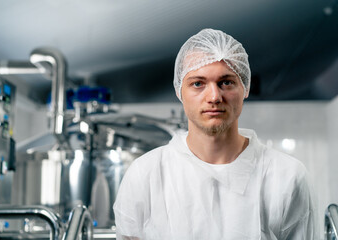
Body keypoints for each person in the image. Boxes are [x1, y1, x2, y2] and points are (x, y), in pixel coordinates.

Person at [113, 28, 318, 240]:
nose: (214, 96)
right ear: (179, 91)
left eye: (226, 82)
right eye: (198, 83)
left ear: (245, 88)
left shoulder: (287, 177)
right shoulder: (145, 175)